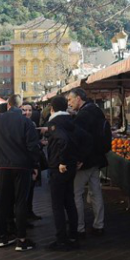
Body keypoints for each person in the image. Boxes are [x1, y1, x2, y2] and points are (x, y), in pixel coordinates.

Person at [0, 95, 41, 252]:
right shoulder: (26, 122)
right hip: (22, 166)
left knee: (4, 202)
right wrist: (35, 165)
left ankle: (2, 237)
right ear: (20, 107)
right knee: (20, 201)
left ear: (8, 105)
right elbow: (33, 147)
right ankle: (21, 239)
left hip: (3, 167)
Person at [68, 88, 108, 237]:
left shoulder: (83, 115)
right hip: (98, 159)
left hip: (85, 161)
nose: (69, 103)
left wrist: (80, 159)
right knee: (96, 192)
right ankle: (99, 225)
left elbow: (81, 140)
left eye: (70, 99)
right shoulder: (96, 110)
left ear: (78, 98)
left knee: (76, 193)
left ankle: (79, 228)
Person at [45, 95, 83, 251]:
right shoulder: (71, 120)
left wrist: (62, 161)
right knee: (70, 202)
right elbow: (84, 138)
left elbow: (63, 140)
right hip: (72, 167)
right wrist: (79, 158)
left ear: (52, 109)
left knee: (57, 205)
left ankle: (61, 239)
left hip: (58, 168)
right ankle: (73, 235)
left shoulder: (54, 123)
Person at [20, 102, 44, 221]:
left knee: (31, 189)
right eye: (25, 110)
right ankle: (24, 215)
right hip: (24, 161)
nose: (27, 112)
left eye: (29, 110)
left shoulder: (33, 123)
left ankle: (29, 212)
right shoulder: (19, 124)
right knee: (24, 190)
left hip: (32, 160)